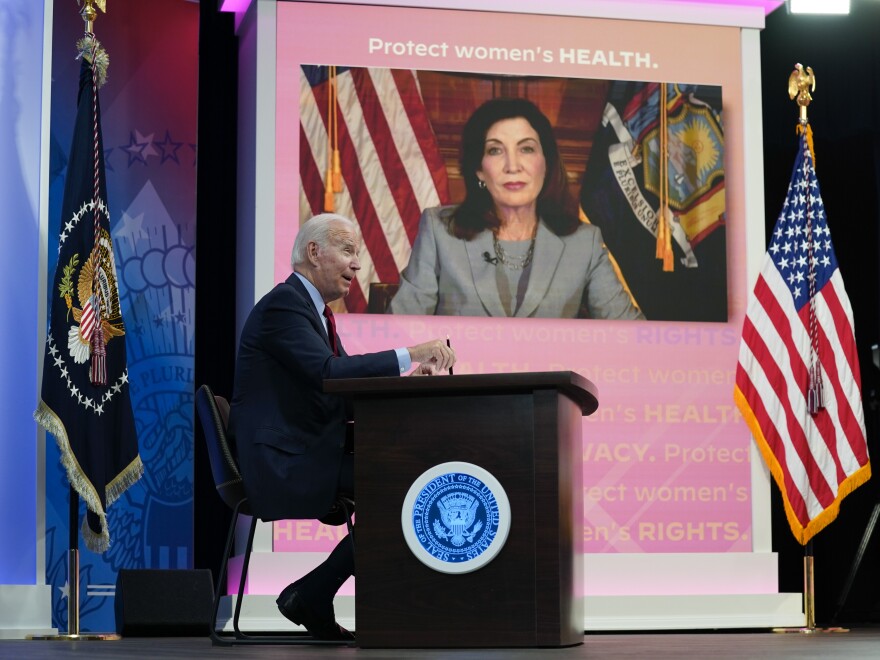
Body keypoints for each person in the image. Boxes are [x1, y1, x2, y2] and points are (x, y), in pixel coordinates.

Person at [227, 213, 456, 641]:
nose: (358, 266)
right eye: (348, 251)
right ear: (314, 252)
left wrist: (409, 383)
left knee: (407, 485)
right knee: (403, 490)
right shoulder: (284, 305)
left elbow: (346, 390)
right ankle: (314, 593)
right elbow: (331, 373)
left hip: (304, 454)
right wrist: (411, 351)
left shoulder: (312, 312)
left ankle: (312, 593)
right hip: (282, 463)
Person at [387, 97, 645, 320]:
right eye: (496, 150)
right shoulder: (439, 230)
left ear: (546, 163)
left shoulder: (584, 243)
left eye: (526, 149)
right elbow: (400, 331)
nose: (513, 165)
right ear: (479, 169)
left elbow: (631, 336)